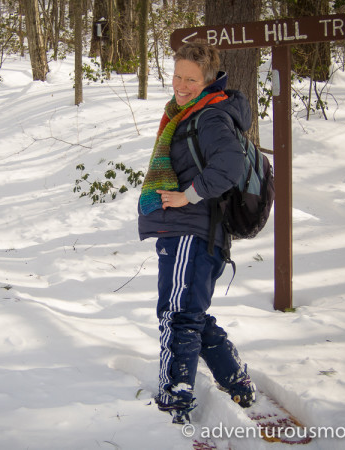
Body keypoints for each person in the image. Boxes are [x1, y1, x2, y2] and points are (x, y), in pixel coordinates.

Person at [137, 42, 256, 425]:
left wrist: (187, 197)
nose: (182, 85)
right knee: (190, 313)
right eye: (177, 76)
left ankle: (175, 399)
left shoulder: (210, 116)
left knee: (178, 315)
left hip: (195, 231)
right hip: (190, 233)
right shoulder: (188, 114)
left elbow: (229, 167)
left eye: (191, 78)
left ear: (207, 80)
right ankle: (234, 377)